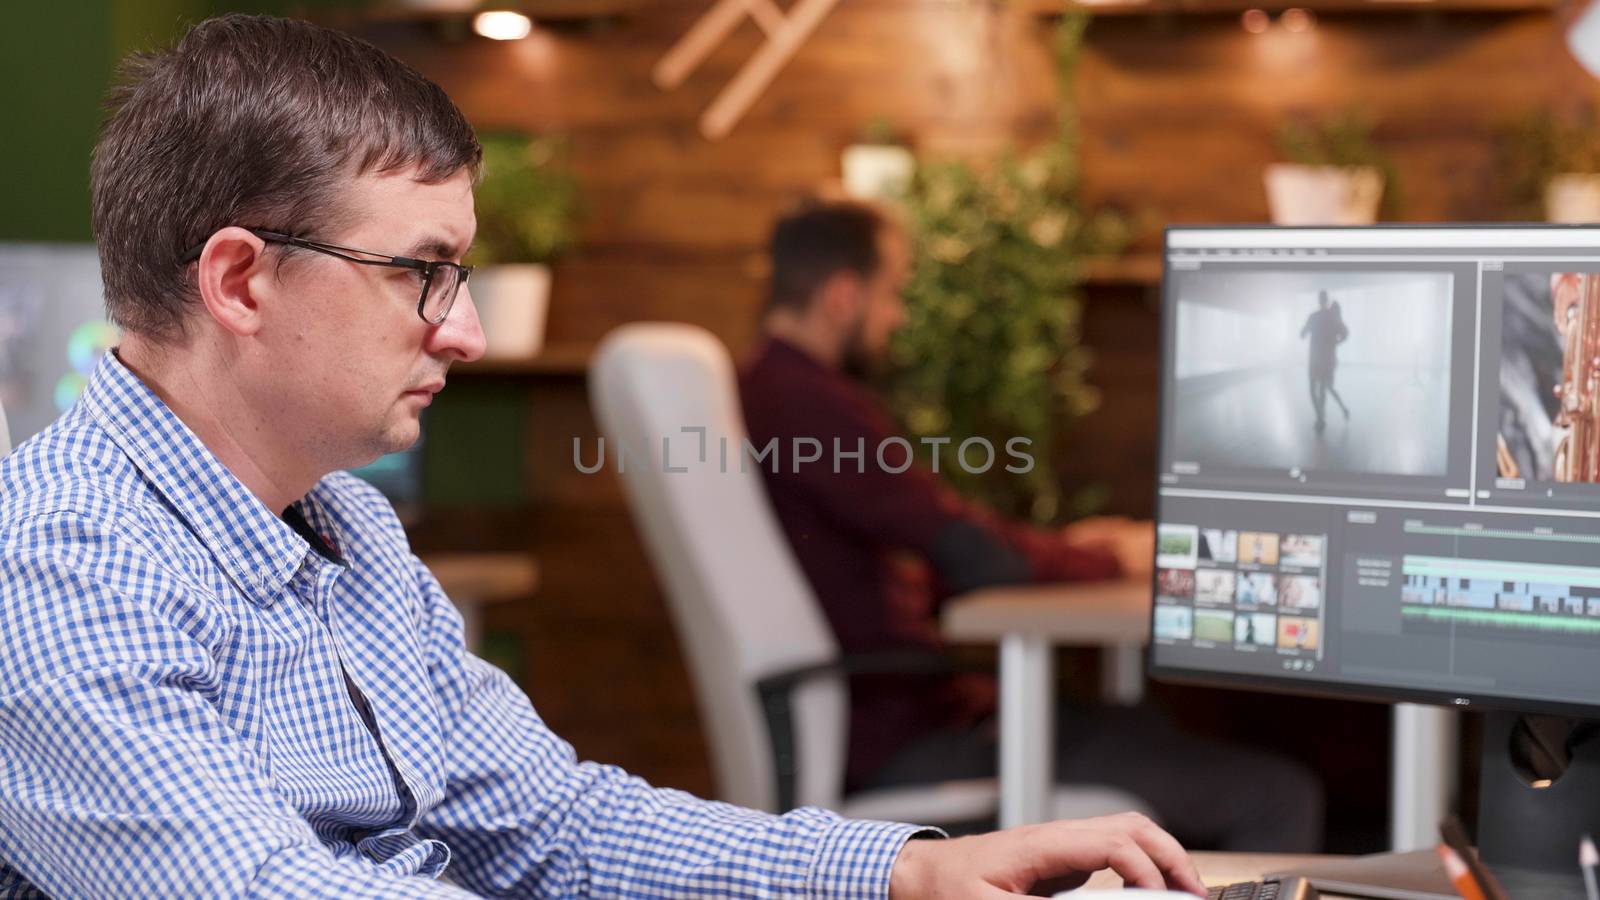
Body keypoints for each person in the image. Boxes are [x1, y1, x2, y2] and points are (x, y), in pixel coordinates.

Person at [0, 15, 1207, 899]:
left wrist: (904, 874)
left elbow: (553, 826)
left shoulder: (349, 530)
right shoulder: (58, 564)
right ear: (240, 280)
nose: (463, 330)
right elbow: (269, 891)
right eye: (423, 273)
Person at [739, 199, 1324, 853]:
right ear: (844, 296)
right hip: (911, 742)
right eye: (892, 294)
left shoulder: (772, 391)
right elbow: (970, 550)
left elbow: (930, 539)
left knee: (1142, 728)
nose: (897, 317)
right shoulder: (806, 404)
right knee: (1276, 796)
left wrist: (1073, 551)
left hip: (912, 722)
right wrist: (1120, 561)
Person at [1299, 291, 1350, 432]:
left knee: (1316, 389)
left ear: (1319, 300)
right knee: (1324, 388)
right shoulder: (1332, 317)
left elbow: (1302, 334)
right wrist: (1335, 343)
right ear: (1326, 300)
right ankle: (1323, 416)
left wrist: (1305, 332)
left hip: (1316, 359)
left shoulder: (1314, 317)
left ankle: (1320, 417)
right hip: (1327, 359)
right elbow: (1345, 334)